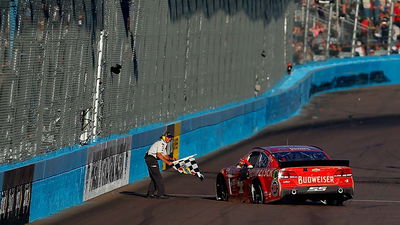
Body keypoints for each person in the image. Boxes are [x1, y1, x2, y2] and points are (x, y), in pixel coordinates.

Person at [144, 132, 175, 199]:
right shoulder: (160, 143)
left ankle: (150, 194)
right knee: (158, 177)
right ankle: (161, 194)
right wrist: (167, 162)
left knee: (154, 177)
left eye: (170, 137)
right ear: (164, 137)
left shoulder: (164, 144)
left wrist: (171, 159)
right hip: (151, 159)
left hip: (152, 159)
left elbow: (165, 155)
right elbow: (159, 155)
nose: (169, 139)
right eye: (168, 137)